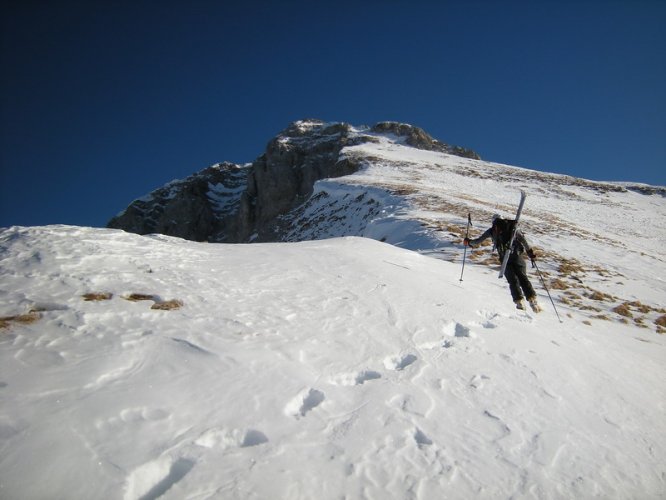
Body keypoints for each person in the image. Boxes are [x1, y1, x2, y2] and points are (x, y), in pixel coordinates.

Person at [464, 214, 541, 312]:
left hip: (505, 259)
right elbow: (523, 240)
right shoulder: (512, 227)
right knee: (523, 278)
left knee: (513, 281)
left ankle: (519, 302)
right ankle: (532, 301)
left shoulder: (492, 231)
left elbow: (478, 241)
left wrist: (468, 242)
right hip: (517, 256)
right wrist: (530, 253)